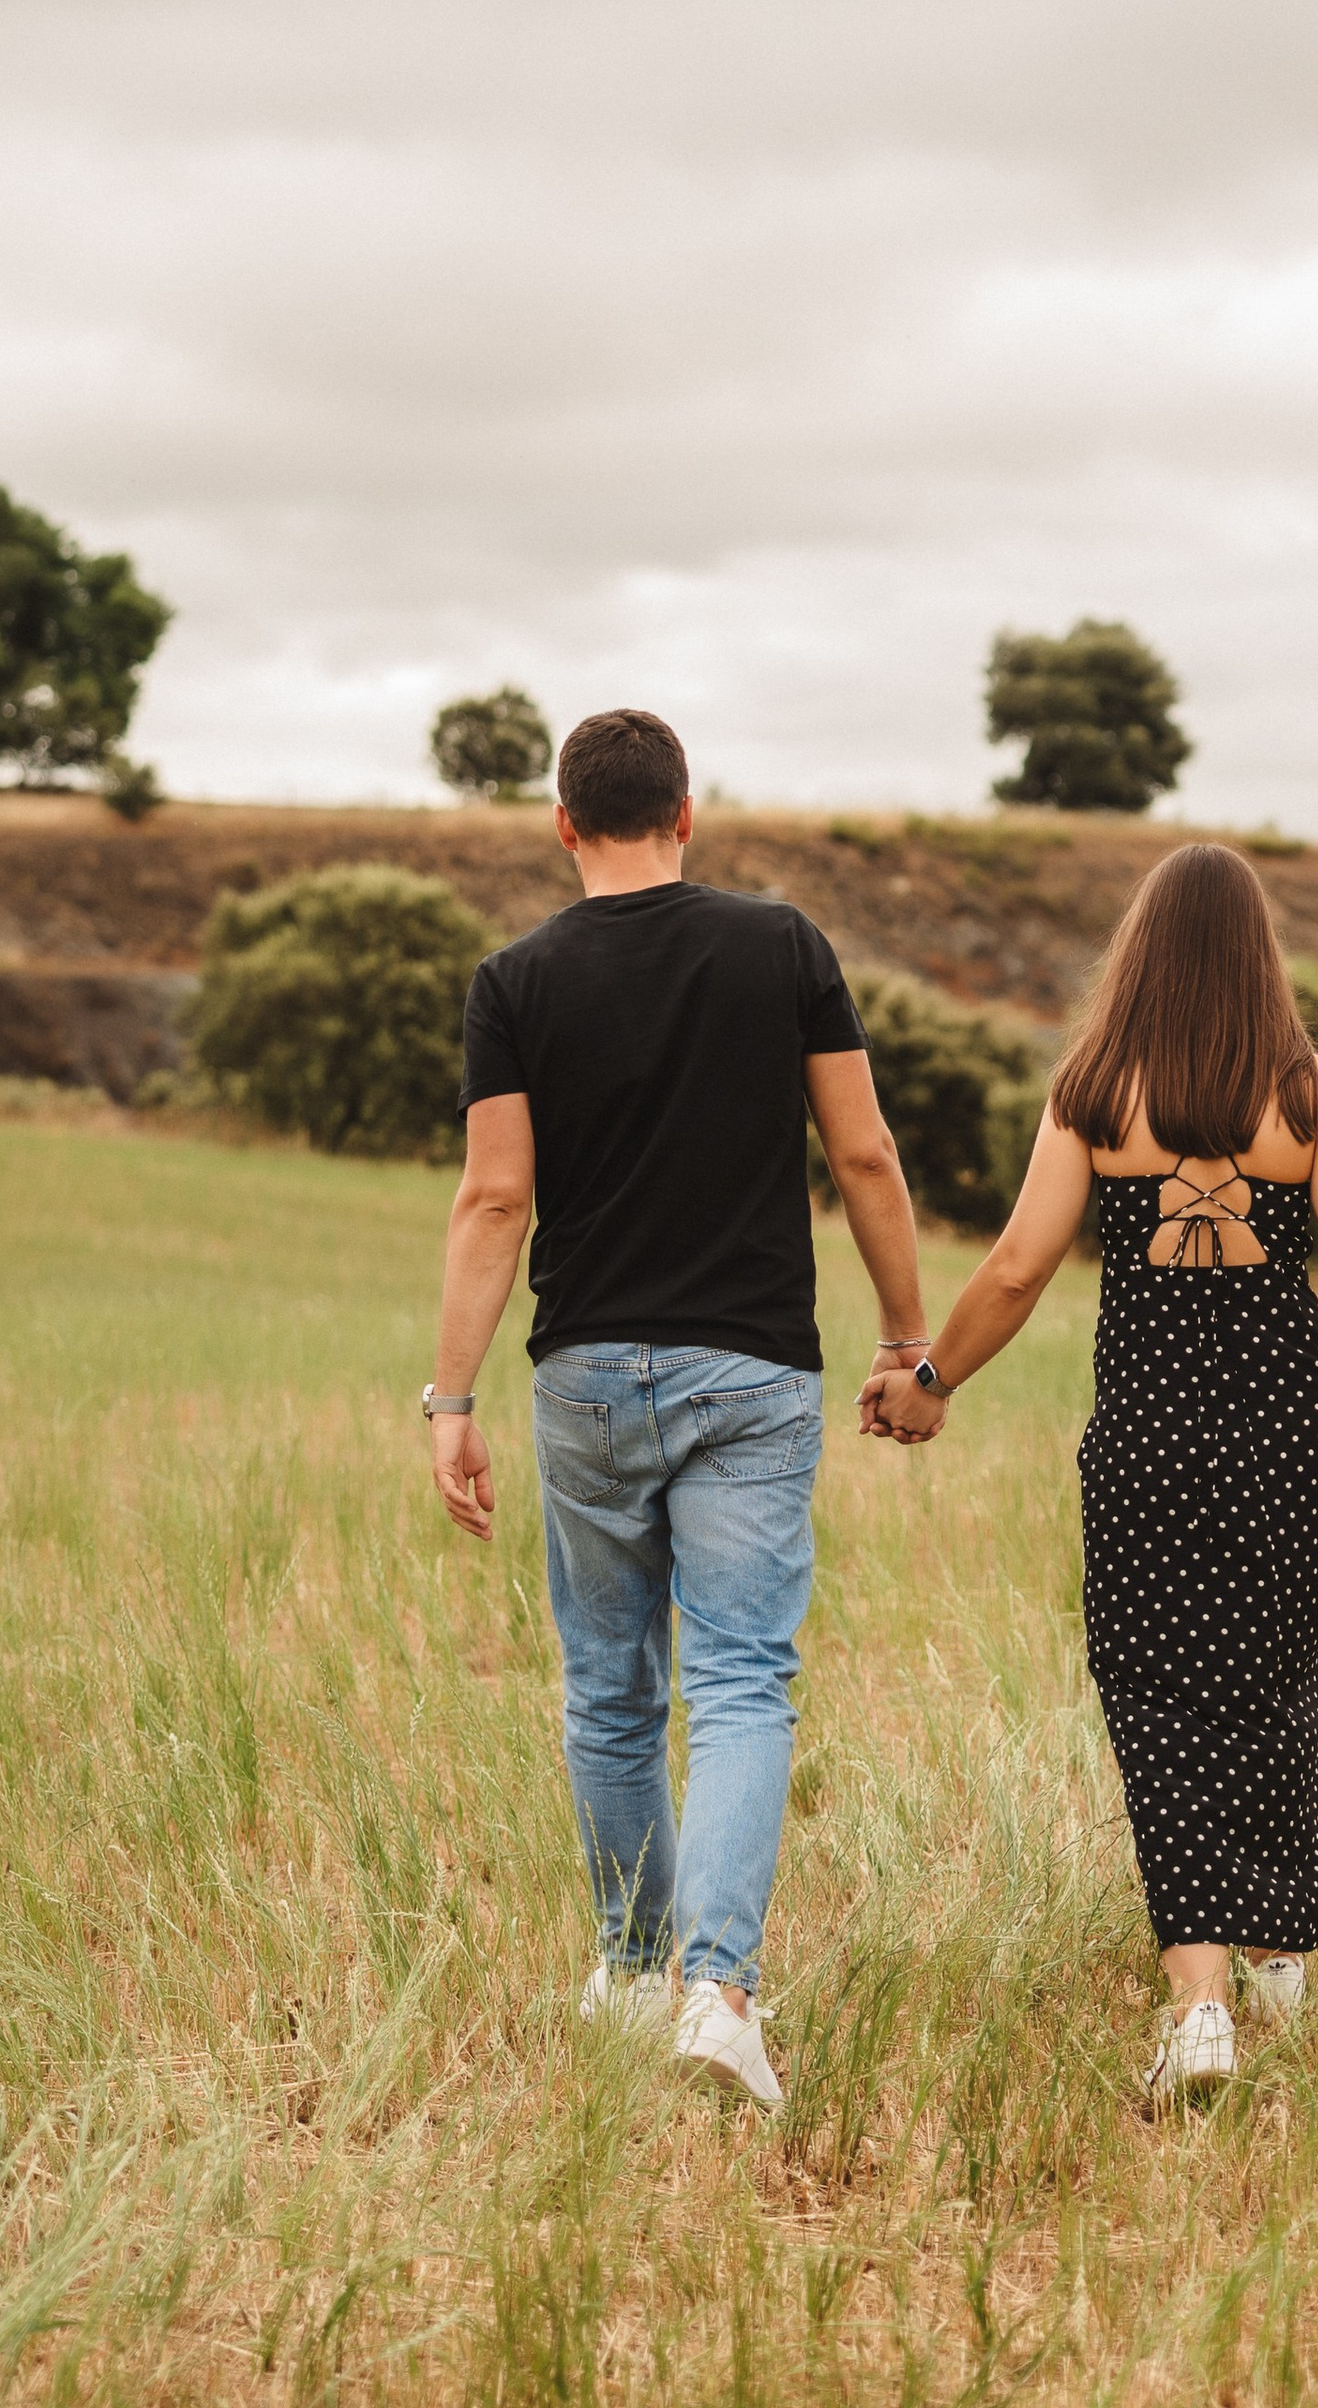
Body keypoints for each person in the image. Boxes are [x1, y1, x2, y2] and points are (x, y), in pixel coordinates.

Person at [870, 839, 1318, 2100]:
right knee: (1275, 1679)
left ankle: (1204, 2006)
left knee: (1158, 1693)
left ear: (1141, 955)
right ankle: (1277, 1953)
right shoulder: (1309, 1093)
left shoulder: (1095, 1091)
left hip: (1155, 1441)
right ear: (1258, 957)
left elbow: (1012, 1269)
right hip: (1294, 1431)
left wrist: (930, 1383)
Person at [426, 705, 932, 2113]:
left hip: (584, 1372)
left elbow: (494, 1198)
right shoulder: (781, 948)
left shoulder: (511, 980)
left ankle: (628, 1958)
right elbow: (865, 1152)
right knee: (741, 1680)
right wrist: (908, 1338)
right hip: (752, 1371)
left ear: (564, 825)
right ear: (688, 812)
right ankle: (715, 1992)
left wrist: (448, 1397)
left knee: (608, 1683)